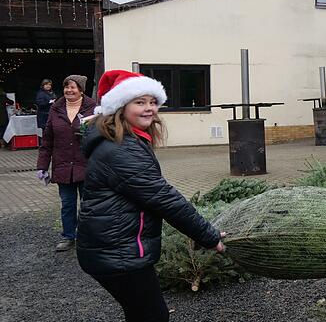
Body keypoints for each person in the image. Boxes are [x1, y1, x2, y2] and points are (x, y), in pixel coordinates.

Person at [77, 70, 225, 322]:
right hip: (117, 254)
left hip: (113, 249)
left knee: (141, 314)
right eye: (140, 102)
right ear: (120, 107)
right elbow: (165, 199)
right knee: (152, 316)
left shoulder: (124, 139)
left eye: (153, 102)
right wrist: (208, 236)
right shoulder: (120, 149)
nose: (149, 109)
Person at [36, 75, 96, 251]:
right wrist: (42, 166)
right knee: (67, 204)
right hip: (63, 165)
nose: (69, 90)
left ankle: (89, 237)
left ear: (81, 90)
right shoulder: (56, 108)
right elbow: (47, 140)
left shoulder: (92, 108)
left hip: (86, 165)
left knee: (89, 204)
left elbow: (102, 136)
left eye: (73, 87)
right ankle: (69, 236)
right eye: (66, 87)